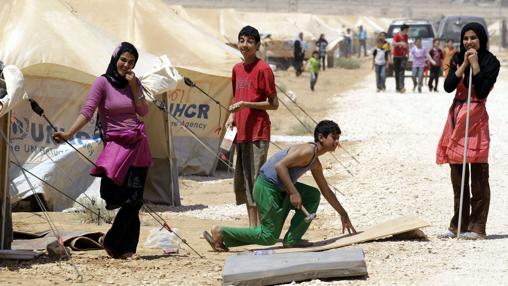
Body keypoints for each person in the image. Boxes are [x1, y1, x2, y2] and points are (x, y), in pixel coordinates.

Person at [53, 42, 152, 258]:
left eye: (131, 62)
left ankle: (124, 247)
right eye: (123, 60)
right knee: (114, 194)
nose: (126, 65)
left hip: (137, 144)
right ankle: (113, 242)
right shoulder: (102, 83)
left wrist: (135, 87)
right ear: (115, 58)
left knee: (135, 199)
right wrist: (69, 133)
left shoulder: (133, 83)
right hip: (116, 146)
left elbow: (143, 110)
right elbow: (88, 111)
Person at [204, 120, 356, 251]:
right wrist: (294, 193)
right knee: (268, 237)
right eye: (333, 137)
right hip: (266, 188)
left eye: (338, 138)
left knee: (313, 195)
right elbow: (279, 166)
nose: (337, 142)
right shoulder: (307, 150)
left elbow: (326, 190)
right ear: (321, 137)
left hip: (280, 189)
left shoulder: (315, 162)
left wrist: (343, 213)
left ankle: (291, 240)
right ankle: (221, 232)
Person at [436, 23, 500, 240]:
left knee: (479, 176)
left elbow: (481, 91)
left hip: (476, 119)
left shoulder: (491, 62)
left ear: (481, 39)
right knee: (458, 175)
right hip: (456, 118)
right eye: (466, 38)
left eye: (473, 37)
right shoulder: (456, 58)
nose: (469, 42)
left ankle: (477, 226)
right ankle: (458, 224)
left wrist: (475, 65)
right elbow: (448, 86)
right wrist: (463, 64)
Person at [227, 25, 279, 227]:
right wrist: (231, 116)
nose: (245, 45)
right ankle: (253, 227)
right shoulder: (236, 69)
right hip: (241, 132)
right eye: (242, 40)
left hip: (258, 132)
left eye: (250, 41)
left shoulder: (263, 69)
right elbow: (236, 96)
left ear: (257, 45)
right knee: (245, 180)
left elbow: (274, 104)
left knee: (258, 181)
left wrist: (247, 105)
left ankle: (267, 225)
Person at [392, 24, 409, 93]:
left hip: (403, 56)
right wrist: (400, 43)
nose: (407, 31)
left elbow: (406, 44)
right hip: (396, 56)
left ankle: (402, 87)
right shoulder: (396, 35)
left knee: (402, 71)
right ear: (404, 29)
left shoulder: (406, 36)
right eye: (407, 30)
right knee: (397, 72)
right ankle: (397, 87)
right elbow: (393, 43)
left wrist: (408, 52)